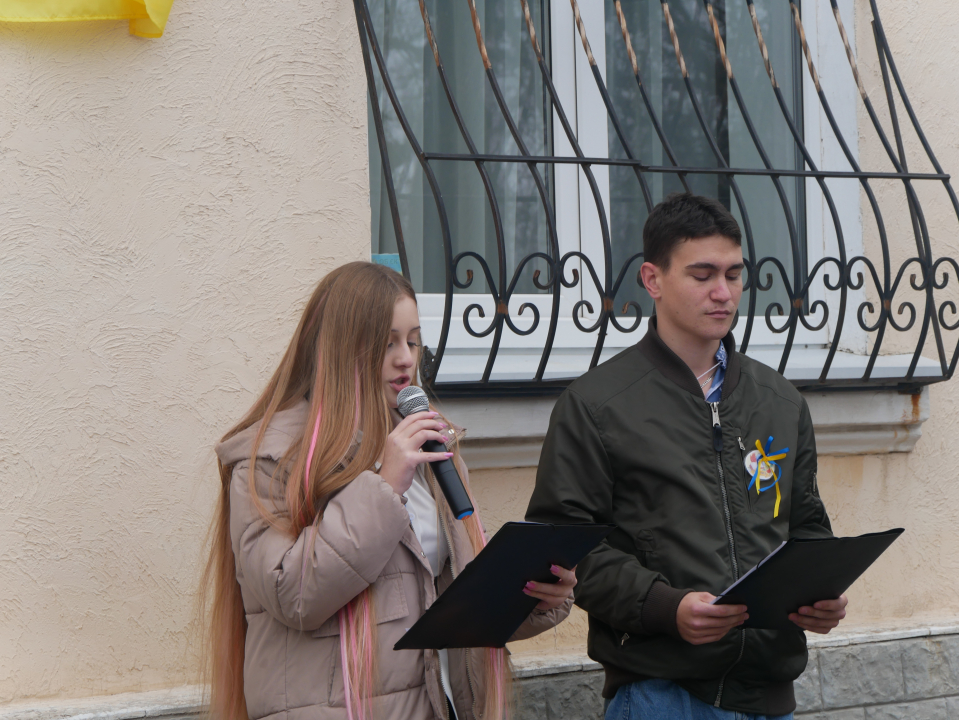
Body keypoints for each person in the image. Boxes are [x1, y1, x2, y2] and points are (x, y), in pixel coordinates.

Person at [201, 261, 575, 720]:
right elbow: (292, 595)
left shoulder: (432, 450)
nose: (406, 359)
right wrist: (383, 488)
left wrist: (532, 596)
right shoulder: (271, 460)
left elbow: (448, 605)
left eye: (413, 341)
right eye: (387, 342)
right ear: (340, 349)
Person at [525, 194, 847, 720]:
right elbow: (565, 549)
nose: (723, 292)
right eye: (702, 275)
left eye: (734, 275)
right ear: (652, 280)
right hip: (661, 695)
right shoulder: (597, 405)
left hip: (770, 697)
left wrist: (821, 593)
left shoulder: (781, 401)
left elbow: (805, 527)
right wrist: (665, 607)